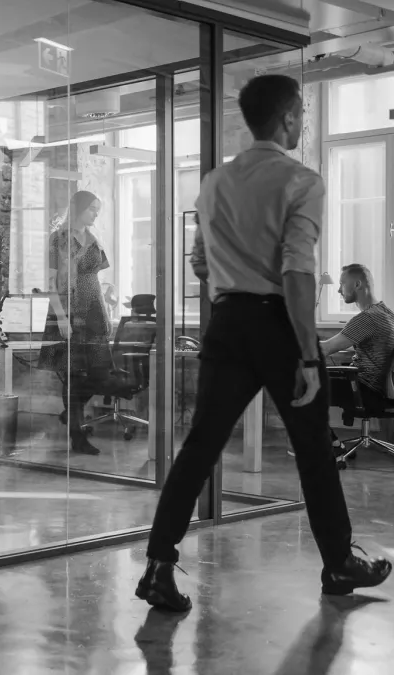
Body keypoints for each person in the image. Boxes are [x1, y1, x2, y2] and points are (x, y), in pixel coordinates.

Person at [136, 74, 390, 612]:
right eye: (302, 114)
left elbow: (200, 265)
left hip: (226, 321)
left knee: (200, 447)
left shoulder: (214, 183)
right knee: (314, 450)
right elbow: (297, 273)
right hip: (278, 324)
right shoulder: (301, 181)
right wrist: (307, 355)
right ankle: (339, 563)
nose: (304, 122)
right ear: (289, 117)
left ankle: (158, 566)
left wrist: (235, 277)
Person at [38, 190, 112, 455]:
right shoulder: (58, 239)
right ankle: (77, 435)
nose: (95, 215)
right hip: (69, 311)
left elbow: (97, 277)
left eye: (97, 210)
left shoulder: (93, 239)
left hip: (94, 312)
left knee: (101, 373)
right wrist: (60, 316)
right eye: (92, 209)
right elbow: (50, 281)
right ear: (78, 208)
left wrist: (107, 306)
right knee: (73, 375)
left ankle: (71, 415)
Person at [321, 264, 394, 443]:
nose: (339, 290)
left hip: (366, 391)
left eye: (342, 283)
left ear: (357, 284)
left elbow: (325, 349)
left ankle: (332, 445)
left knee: (302, 386)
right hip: (383, 392)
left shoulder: (367, 318)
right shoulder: (387, 313)